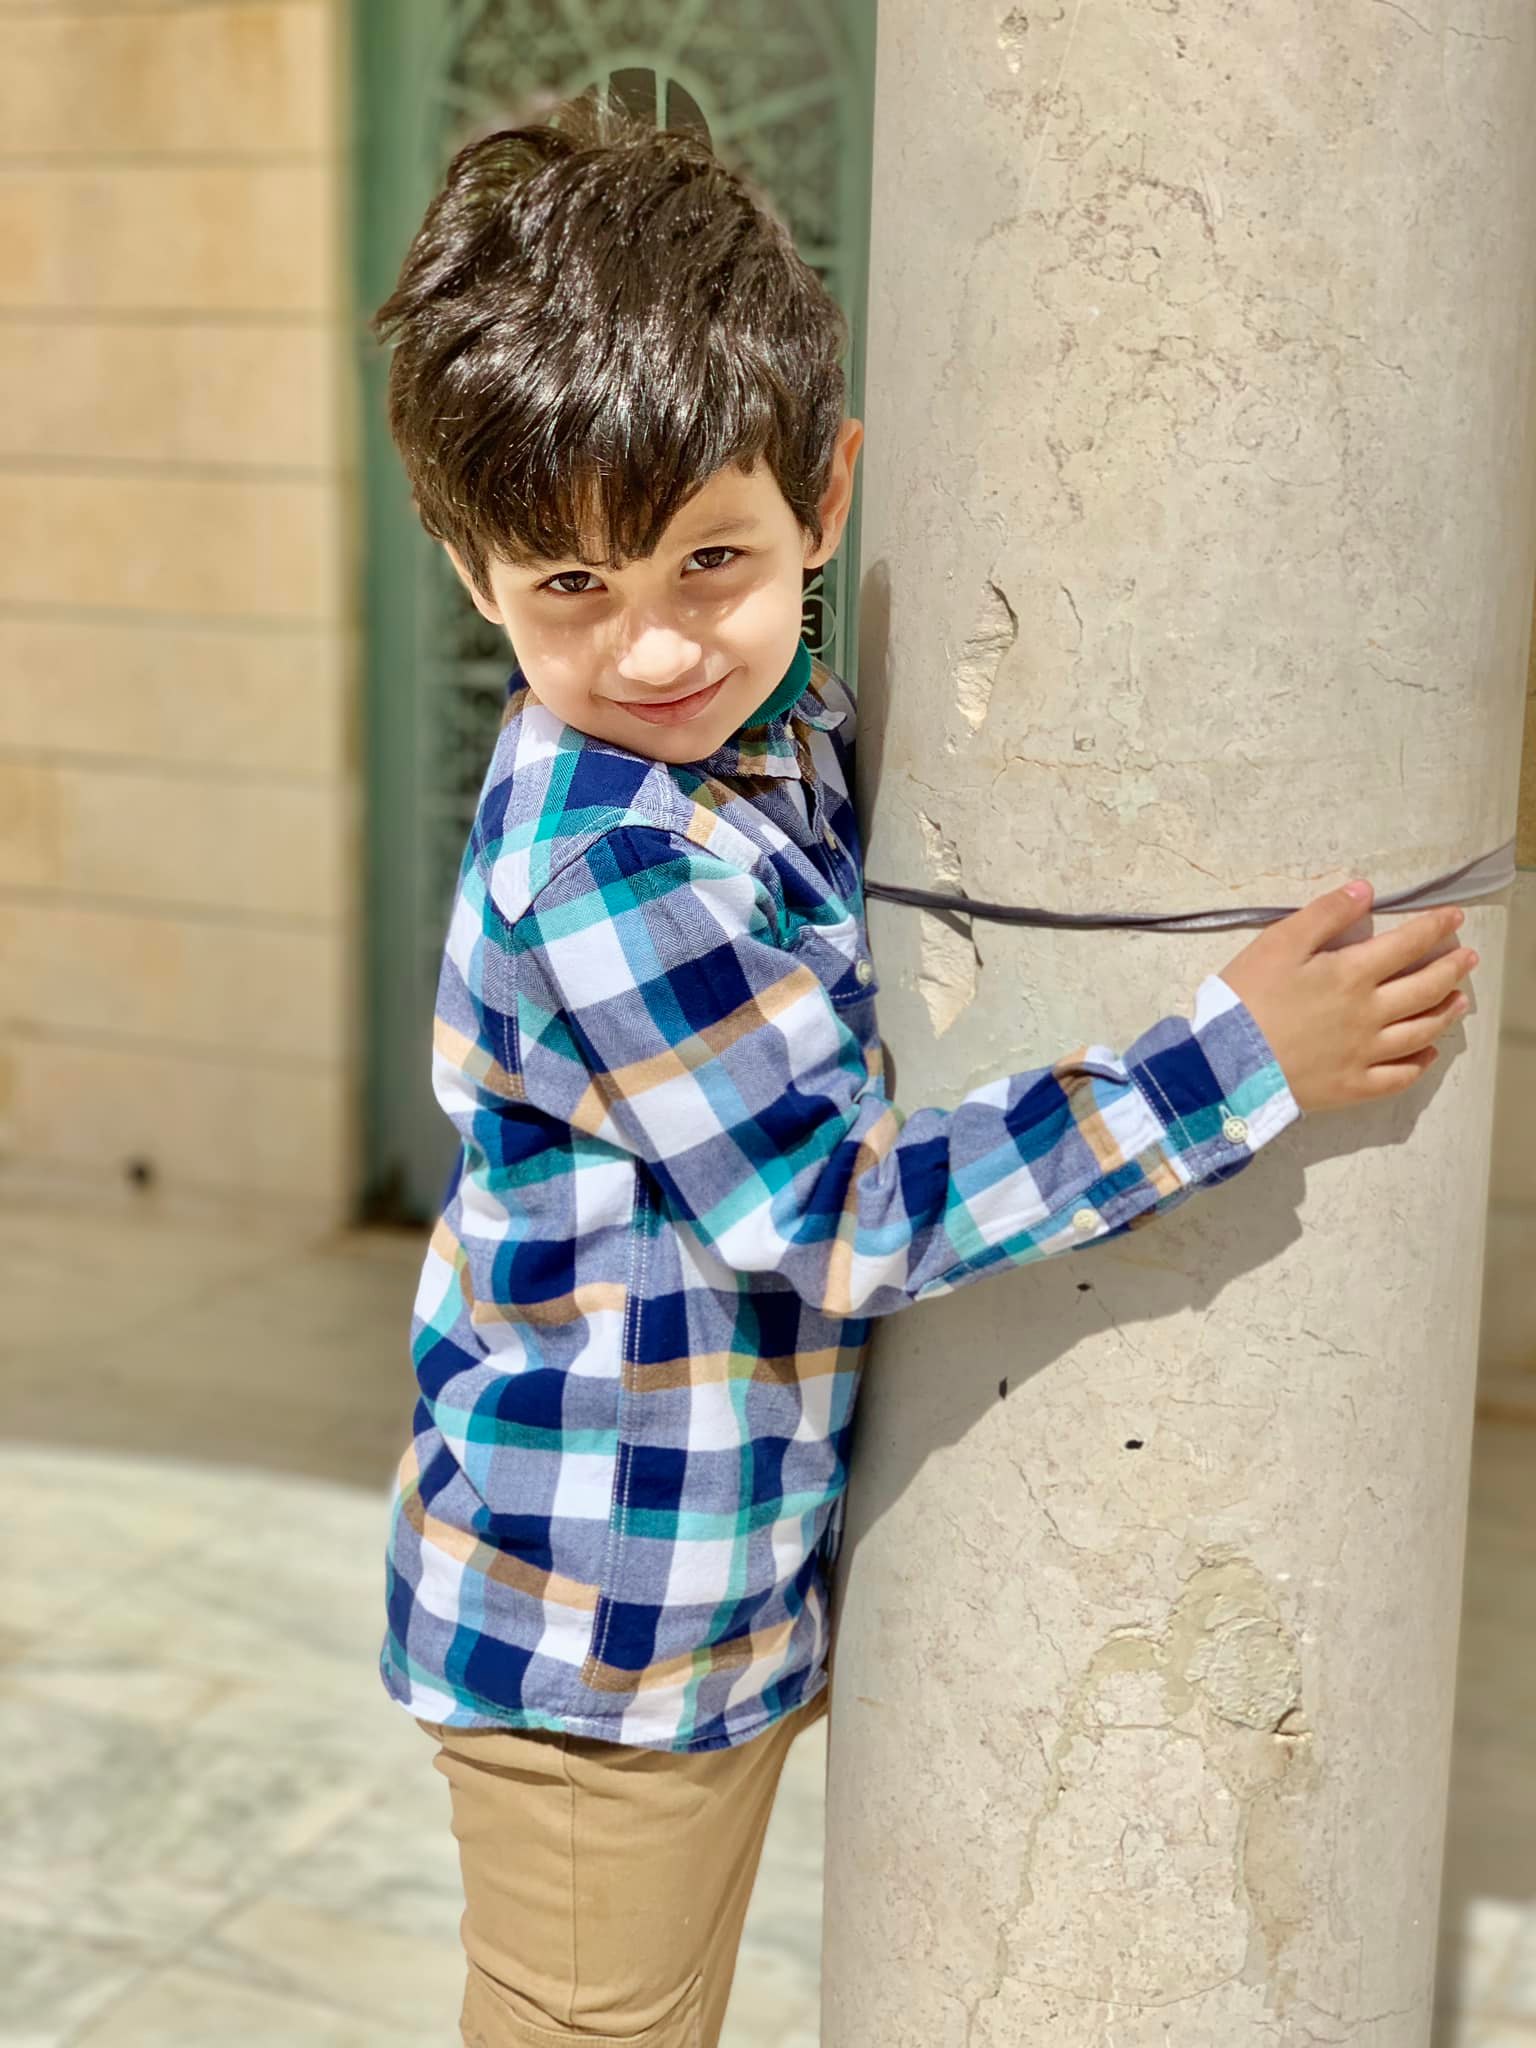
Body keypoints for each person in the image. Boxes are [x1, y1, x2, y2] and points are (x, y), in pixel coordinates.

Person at [368, 91, 1478, 2048]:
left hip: (702, 1605)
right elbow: (845, 1217)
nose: (653, 651)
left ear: (826, 496)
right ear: (474, 578)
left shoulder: (773, 726)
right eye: (570, 590)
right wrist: (1233, 1059)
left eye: (708, 561)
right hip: (591, 1652)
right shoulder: (613, 860)